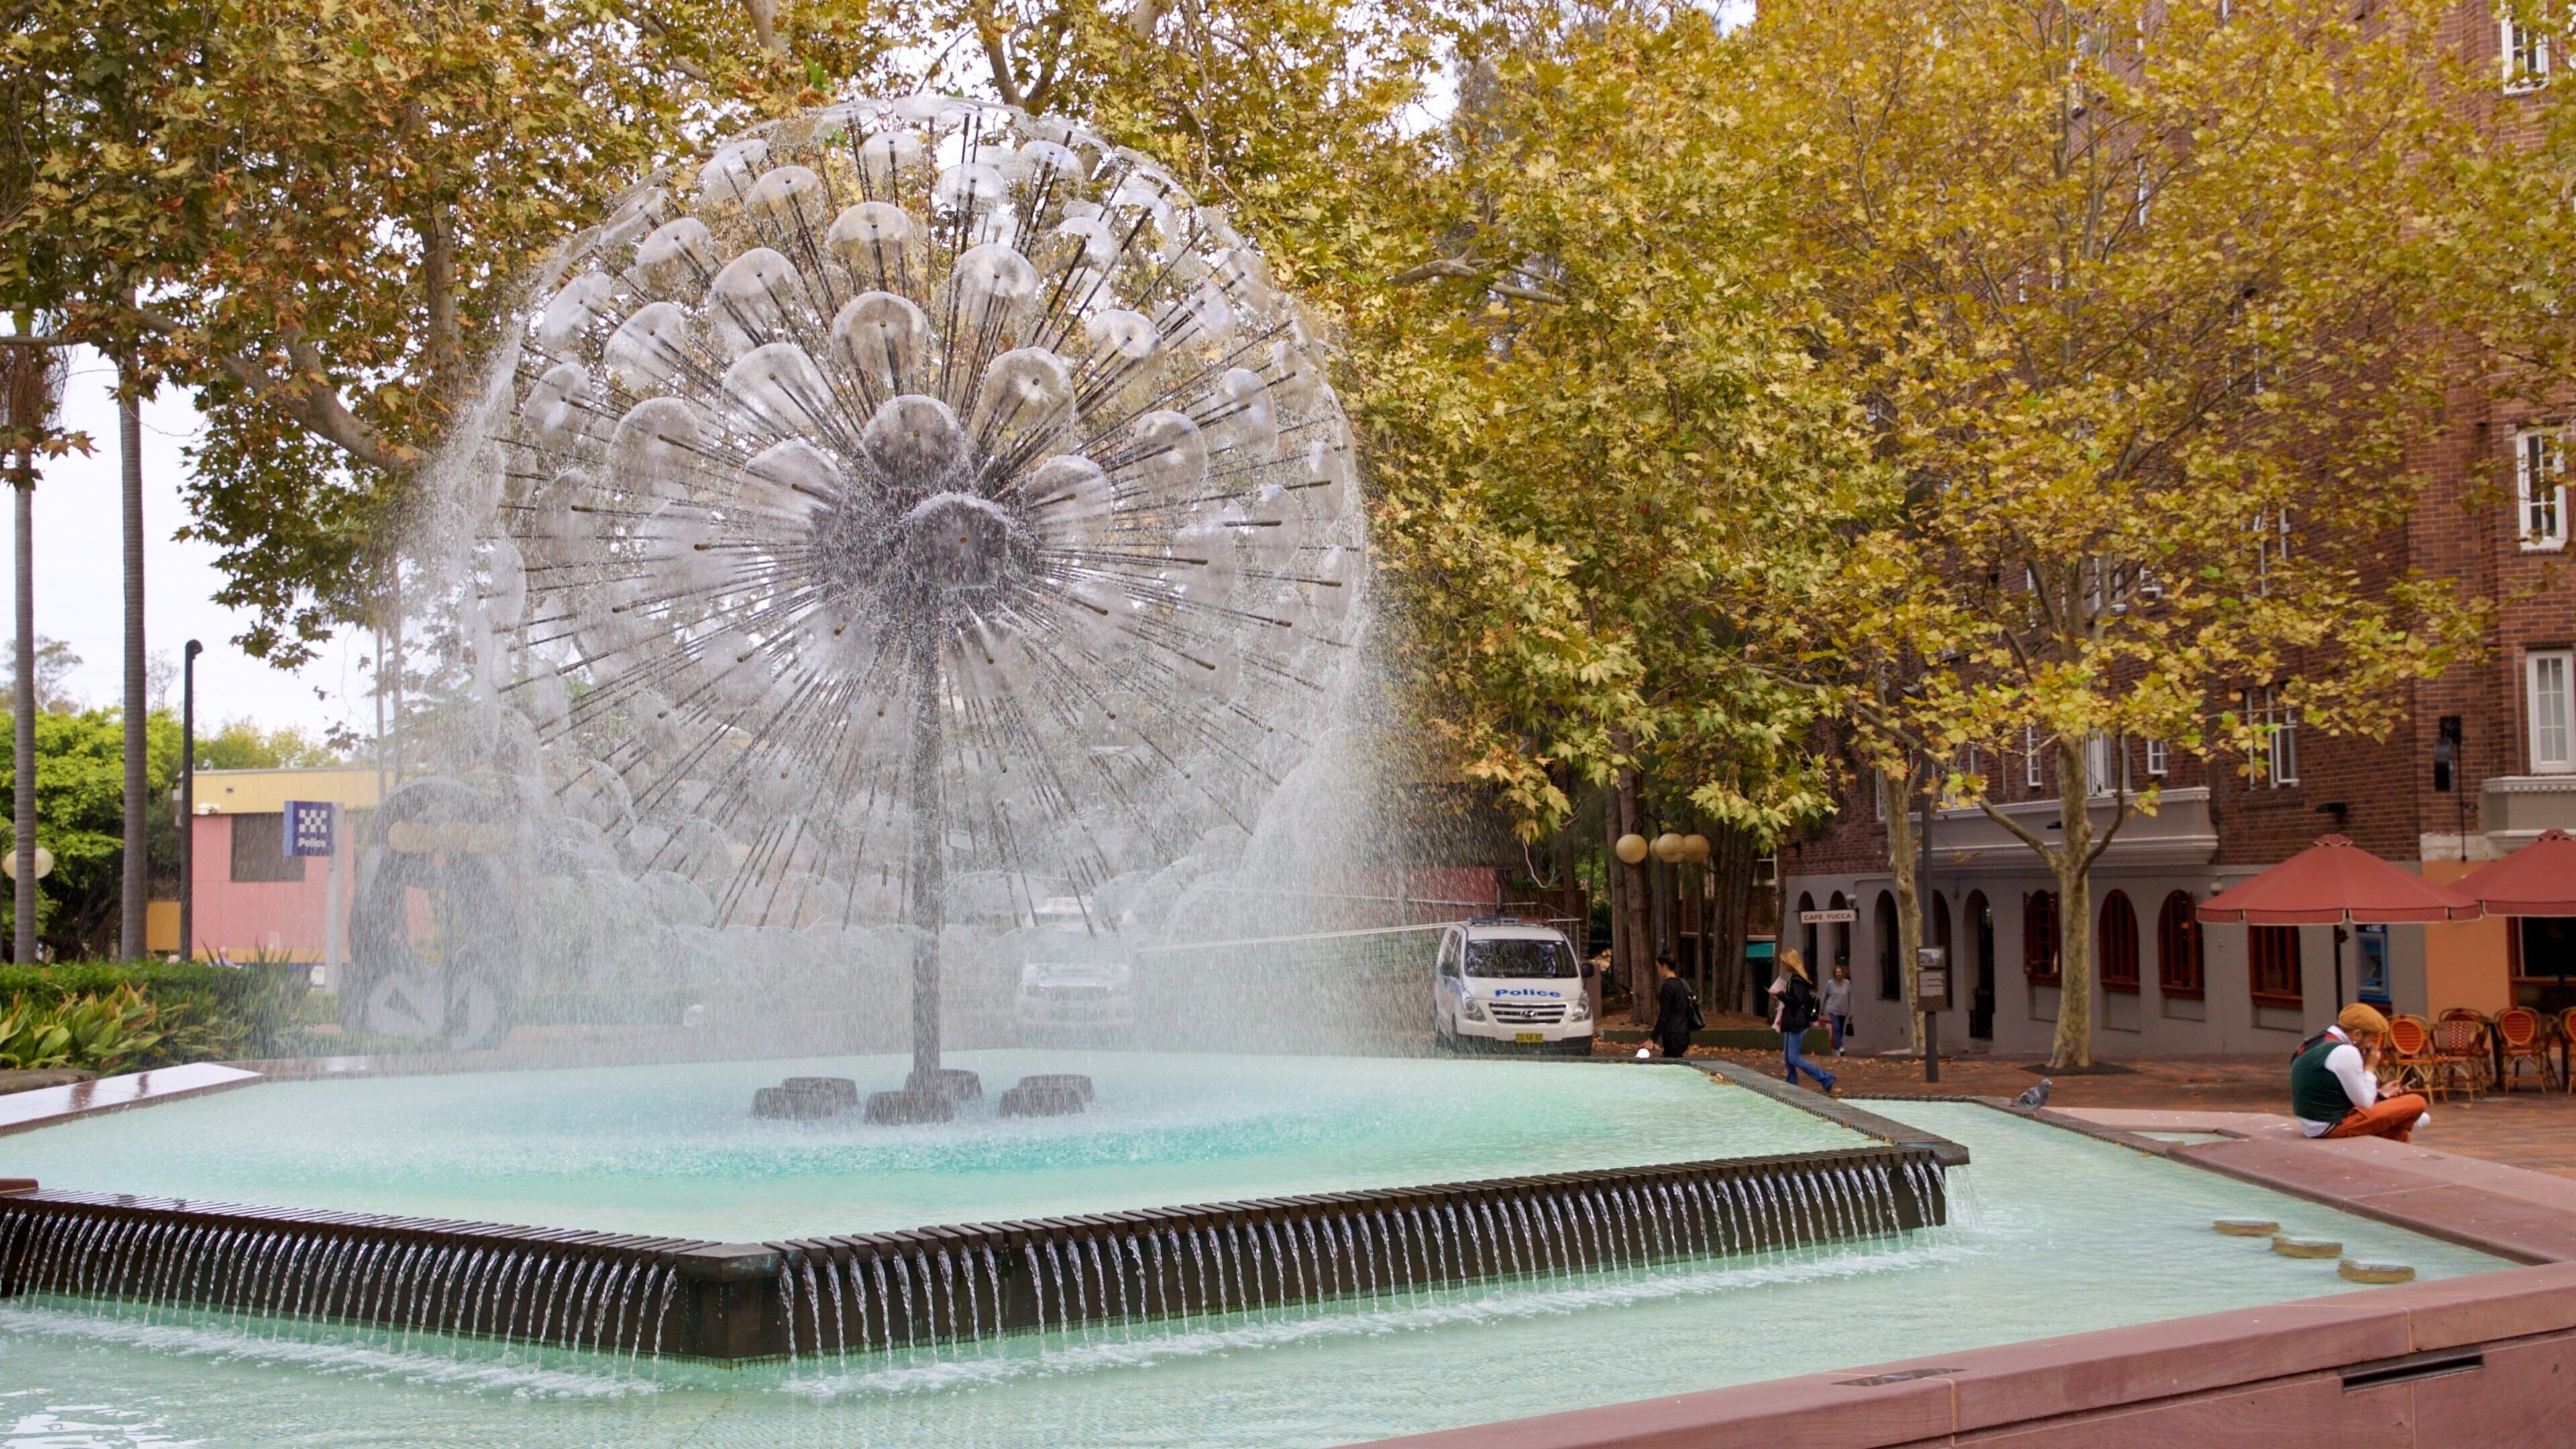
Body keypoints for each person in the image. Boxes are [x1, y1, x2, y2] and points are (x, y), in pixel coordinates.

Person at [2292, 1003, 2431, 1142]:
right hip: (2332, 1125)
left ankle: (2402, 1123)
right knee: (2416, 1101)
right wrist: (2370, 1067)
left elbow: (2347, 1090)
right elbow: (2365, 1102)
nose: (2371, 1044)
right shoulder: (2346, 1052)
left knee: (2396, 1132)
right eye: (2371, 1038)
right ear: (2357, 1034)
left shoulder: (2314, 1041)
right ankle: (2408, 1119)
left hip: (2313, 1122)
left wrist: (2382, 1094)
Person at [1768, 949, 1836, 1093]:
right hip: (1791, 1021)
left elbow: (1797, 1001)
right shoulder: (1796, 979)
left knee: (1793, 1058)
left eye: (1784, 962)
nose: (1783, 965)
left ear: (1790, 963)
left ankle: (1825, 1078)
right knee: (1787, 1057)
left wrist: (1780, 994)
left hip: (1796, 1022)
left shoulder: (1797, 980)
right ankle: (1791, 1084)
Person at [1652, 955, 1701, 1058]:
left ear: (1664, 967)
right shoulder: (1683, 984)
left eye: (1658, 967)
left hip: (1672, 1035)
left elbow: (1664, 1015)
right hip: (1684, 1033)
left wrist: (1652, 1039)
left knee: (1672, 1066)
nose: (1658, 970)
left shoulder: (1667, 987)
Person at [1824, 965, 1854, 1057]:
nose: (1839, 974)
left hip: (1844, 1010)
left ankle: (1837, 1048)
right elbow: (1825, 996)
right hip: (1832, 1009)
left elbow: (1850, 997)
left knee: (1840, 1029)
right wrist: (1821, 1009)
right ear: (1834, 973)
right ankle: (1840, 1046)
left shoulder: (1847, 983)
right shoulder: (1830, 983)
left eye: (1840, 972)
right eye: (1837, 972)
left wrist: (1851, 1011)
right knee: (1836, 1027)